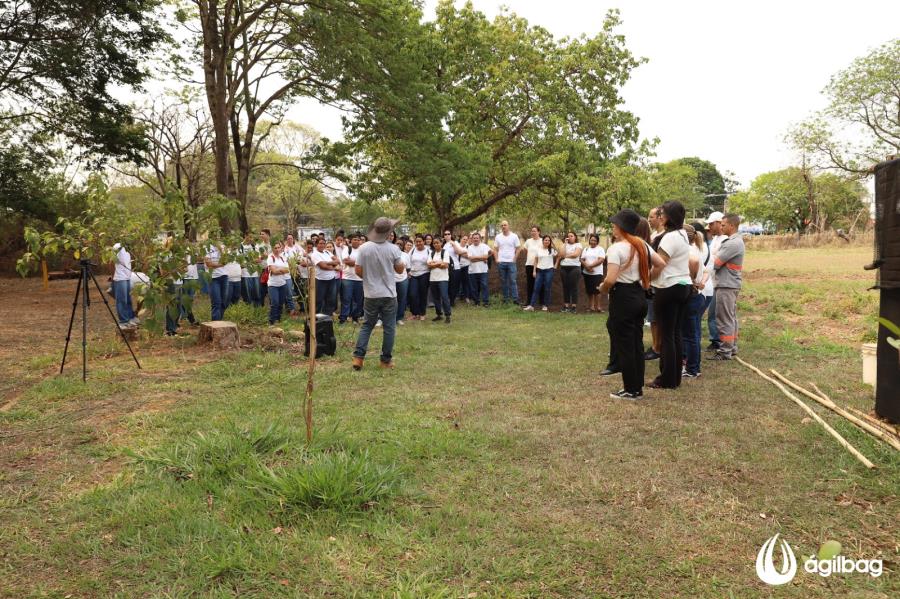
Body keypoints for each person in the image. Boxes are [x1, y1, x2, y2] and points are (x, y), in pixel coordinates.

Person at [599, 210, 665, 399]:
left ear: (620, 228)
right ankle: (637, 387)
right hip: (638, 296)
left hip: (623, 298)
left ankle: (631, 390)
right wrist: (645, 281)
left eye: (614, 225)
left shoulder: (616, 249)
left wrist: (603, 288)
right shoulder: (641, 244)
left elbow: (610, 279)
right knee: (636, 344)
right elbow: (660, 264)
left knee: (626, 346)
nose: (612, 227)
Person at [648, 201, 698, 389]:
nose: (659, 217)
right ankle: (674, 377)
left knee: (667, 335)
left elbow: (660, 264)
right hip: (683, 286)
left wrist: (646, 280)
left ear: (668, 217)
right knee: (675, 333)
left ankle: (667, 379)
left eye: (661, 214)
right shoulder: (683, 234)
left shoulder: (669, 238)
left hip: (668, 287)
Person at [352, 217, 407, 370]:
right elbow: (400, 270)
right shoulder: (393, 249)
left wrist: (369, 279)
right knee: (389, 327)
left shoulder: (364, 248)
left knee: (367, 325)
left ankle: (358, 358)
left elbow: (357, 270)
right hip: (389, 294)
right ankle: (385, 361)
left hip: (370, 294)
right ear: (389, 232)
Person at [712, 213, 745, 360]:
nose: (721, 227)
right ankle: (732, 347)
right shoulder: (735, 241)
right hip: (730, 284)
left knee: (724, 318)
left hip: (726, 285)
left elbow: (716, 263)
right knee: (730, 318)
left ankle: (725, 351)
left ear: (732, 225)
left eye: (723, 225)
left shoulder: (732, 243)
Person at [682, 224, 713, 378]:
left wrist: (692, 279)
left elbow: (693, 262)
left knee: (689, 335)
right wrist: (700, 281)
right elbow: (706, 270)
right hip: (698, 295)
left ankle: (692, 369)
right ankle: (694, 367)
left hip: (692, 296)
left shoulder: (688, 251)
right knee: (693, 334)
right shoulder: (695, 248)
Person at [644, 207, 665, 360]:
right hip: (652, 281)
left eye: (651, 217)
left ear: (660, 217)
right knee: (652, 318)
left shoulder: (665, 236)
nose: (649, 220)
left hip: (659, 281)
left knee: (658, 318)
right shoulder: (653, 235)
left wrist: (648, 279)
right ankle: (655, 345)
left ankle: (658, 347)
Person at [704, 211, 727, 351]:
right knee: (713, 314)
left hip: (720, 282)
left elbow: (717, 261)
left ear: (719, 223)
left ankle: (719, 341)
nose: (710, 227)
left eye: (712, 224)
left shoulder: (725, 240)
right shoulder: (715, 240)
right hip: (711, 281)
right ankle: (716, 340)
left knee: (717, 314)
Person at [523, 235, 557, 312]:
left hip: (549, 271)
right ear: (543, 241)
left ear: (550, 242)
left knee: (547, 288)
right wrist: (534, 271)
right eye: (545, 240)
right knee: (536, 288)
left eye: (548, 240)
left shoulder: (552, 250)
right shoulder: (539, 250)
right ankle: (531, 306)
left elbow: (559, 255)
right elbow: (535, 260)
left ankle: (545, 305)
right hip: (540, 271)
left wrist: (555, 265)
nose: (547, 241)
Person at [309, 237, 340, 315]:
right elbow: (323, 266)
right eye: (320, 243)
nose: (322, 245)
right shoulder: (314, 254)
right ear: (316, 244)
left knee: (331, 299)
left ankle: (327, 317)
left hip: (331, 280)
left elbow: (337, 261)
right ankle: (317, 318)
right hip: (320, 281)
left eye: (323, 243)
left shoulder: (327, 252)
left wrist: (327, 262)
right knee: (319, 300)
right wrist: (333, 266)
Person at [494, 220, 521, 303]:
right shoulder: (498, 237)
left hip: (511, 262)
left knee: (513, 281)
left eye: (505, 225)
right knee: (504, 281)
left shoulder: (514, 236)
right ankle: (505, 299)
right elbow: (495, 249)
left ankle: (515, 299)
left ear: (508, 226)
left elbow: (518, 248)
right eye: (502, 225)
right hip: (501, 262)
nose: (503, 227)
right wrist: (496, 259)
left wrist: (515, 259)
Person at [339, 233, 364, 324]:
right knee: (346, 299)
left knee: (358, 300)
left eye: (358, 240)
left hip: (360, 279)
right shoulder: (347, 249)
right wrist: (359, 263)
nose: (356, 241)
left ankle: (355, 318)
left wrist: (353, 262)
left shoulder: (362, 250)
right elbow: (346, 261)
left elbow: (365, 263)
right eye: (354, 239)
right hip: (347, 278)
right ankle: (343, 318)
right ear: (350, 241)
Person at [112, 242, 138, 327]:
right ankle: (123, 321)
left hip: (127, 277)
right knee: (122, 301)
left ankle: (130, 318)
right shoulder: (117, 246)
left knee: (128, 300)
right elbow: (113, 257)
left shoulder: (128, 248)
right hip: (120, 278)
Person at [427, 237, 452, 323]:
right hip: (433, 279)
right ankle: (439, 314)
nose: (436, 244)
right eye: (434, 243)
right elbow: (429, 265)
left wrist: (434, 264)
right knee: (436, 298)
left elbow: (445, 265)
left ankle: (448, 315)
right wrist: (439, 263)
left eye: (437, 243)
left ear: (441, 243)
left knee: (444, 297)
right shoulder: (431, 253)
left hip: (443, 279)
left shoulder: (445, 252)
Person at [407, 235, 431, 320]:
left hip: (424, 274)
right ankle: (414, 313)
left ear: (423, 241)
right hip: (413, 275)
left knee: (423, 294)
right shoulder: (413, 250)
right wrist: (408, 271)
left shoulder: (428, 251)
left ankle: (422, 313)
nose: (418, 243)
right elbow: (408, 261)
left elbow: (430, 262)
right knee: (412, 294)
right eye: (416, 242)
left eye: (420, 241)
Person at [266, 241, 290, 325]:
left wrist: (278, 269)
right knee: (274, 303)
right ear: (272, 249)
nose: (277, 249)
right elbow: (274, 271)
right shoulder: (270, 257)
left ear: (281, 248)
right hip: (273, 285)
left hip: (282, 283)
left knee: (280, 303)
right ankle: (271, 321)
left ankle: (278, 320)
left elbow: (288, 269)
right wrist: (281, 270)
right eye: (275, 248)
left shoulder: (283, 258)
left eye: (278, 247)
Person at [204, 241, 230, 321]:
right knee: (216, 302)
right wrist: (221, 264)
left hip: (224, 276)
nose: (217, 238)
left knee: (224, 302)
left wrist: (221, 250)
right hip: (213, 278)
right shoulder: (207, 247)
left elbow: (226, 260)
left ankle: (219, 322)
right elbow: (209, 264)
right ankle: (215, 324)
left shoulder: (223, 246)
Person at [581, 233, 605, 313]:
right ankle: (591, 307)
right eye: (591, 240)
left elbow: (601, 260)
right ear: (589, 240)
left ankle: (598, 307)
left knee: (597, 290)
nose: (593, 241)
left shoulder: (600, 249)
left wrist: (590, 266)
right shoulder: (586, 249)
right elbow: (581, 259)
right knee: (589, 290)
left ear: (597, 241)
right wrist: (587, 267)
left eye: (595, 240)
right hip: (587, 273)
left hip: (597, 273)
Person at [559, 231, 583, 313]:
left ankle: (574, 307)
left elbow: (575, 255)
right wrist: (565, 244)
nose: (570, 237)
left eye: (571, 236)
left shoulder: (578, 245)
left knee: (574, 287)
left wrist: (565, 256)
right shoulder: (564, 245)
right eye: (568, 236)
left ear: (575, 237)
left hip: (575, 268)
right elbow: (561, 254)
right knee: (565, 287)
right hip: (564, 267)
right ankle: (566, 306)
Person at [466, 232, 490, 306]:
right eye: (474, 238)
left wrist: (476, 257)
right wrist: (482, 258)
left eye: (477, 238)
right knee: (474, 287)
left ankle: (486, 302)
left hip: (483, 270)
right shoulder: (470, 247)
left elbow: (486, 257)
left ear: (480, 239)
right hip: (472, 271)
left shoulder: (484, 246)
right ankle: (476, 302)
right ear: (472, 239)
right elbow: (471, 259)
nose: (476, 239)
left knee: (484, 285)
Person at [523, 226, 543, 304]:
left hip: (540, 265)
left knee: (540, 284)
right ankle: (529, 302)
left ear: (539, 232)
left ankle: (541, 302)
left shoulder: (542, 241)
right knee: (530, 284)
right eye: (532, 231)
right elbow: (525, 249)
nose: (533, 232)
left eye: (535, 231)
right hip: (529, 265)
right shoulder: (528, 241)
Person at [443, 230, 463, 307]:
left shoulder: (455, 242)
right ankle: (448, 300)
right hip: (446, 267)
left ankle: (452, 301)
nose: (447, 235)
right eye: (445, 234)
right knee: (448, 284)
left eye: (449, 234)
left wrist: (454, 244)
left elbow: (459, 252)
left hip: (455, 267)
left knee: (454, 285)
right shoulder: (444, 245)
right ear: (444, 236)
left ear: (451, 235)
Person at [395, 240, 412, 324]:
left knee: (402, 299)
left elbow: (408, 268)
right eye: (397, 243)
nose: (398, 245)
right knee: (389, 300)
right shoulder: (389, 254)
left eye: (401, 244)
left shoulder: (405, 255)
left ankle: (399, 318)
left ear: (403, 246)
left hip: (403, 280)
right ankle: (385, 318)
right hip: (391, 280)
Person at [454, 235, 471, 303]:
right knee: (456, 282)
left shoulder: (468, 247)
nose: (465, 240)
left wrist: (460, 253)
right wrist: (463, 253)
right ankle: (456, 296)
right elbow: (456, 252)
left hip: (466, 266)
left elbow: (469, 256)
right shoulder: (456, 245)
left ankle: (466, 297)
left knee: (465, 282)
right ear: (460, 239)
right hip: (457, 266)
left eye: (466, 239)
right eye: (464, 239)